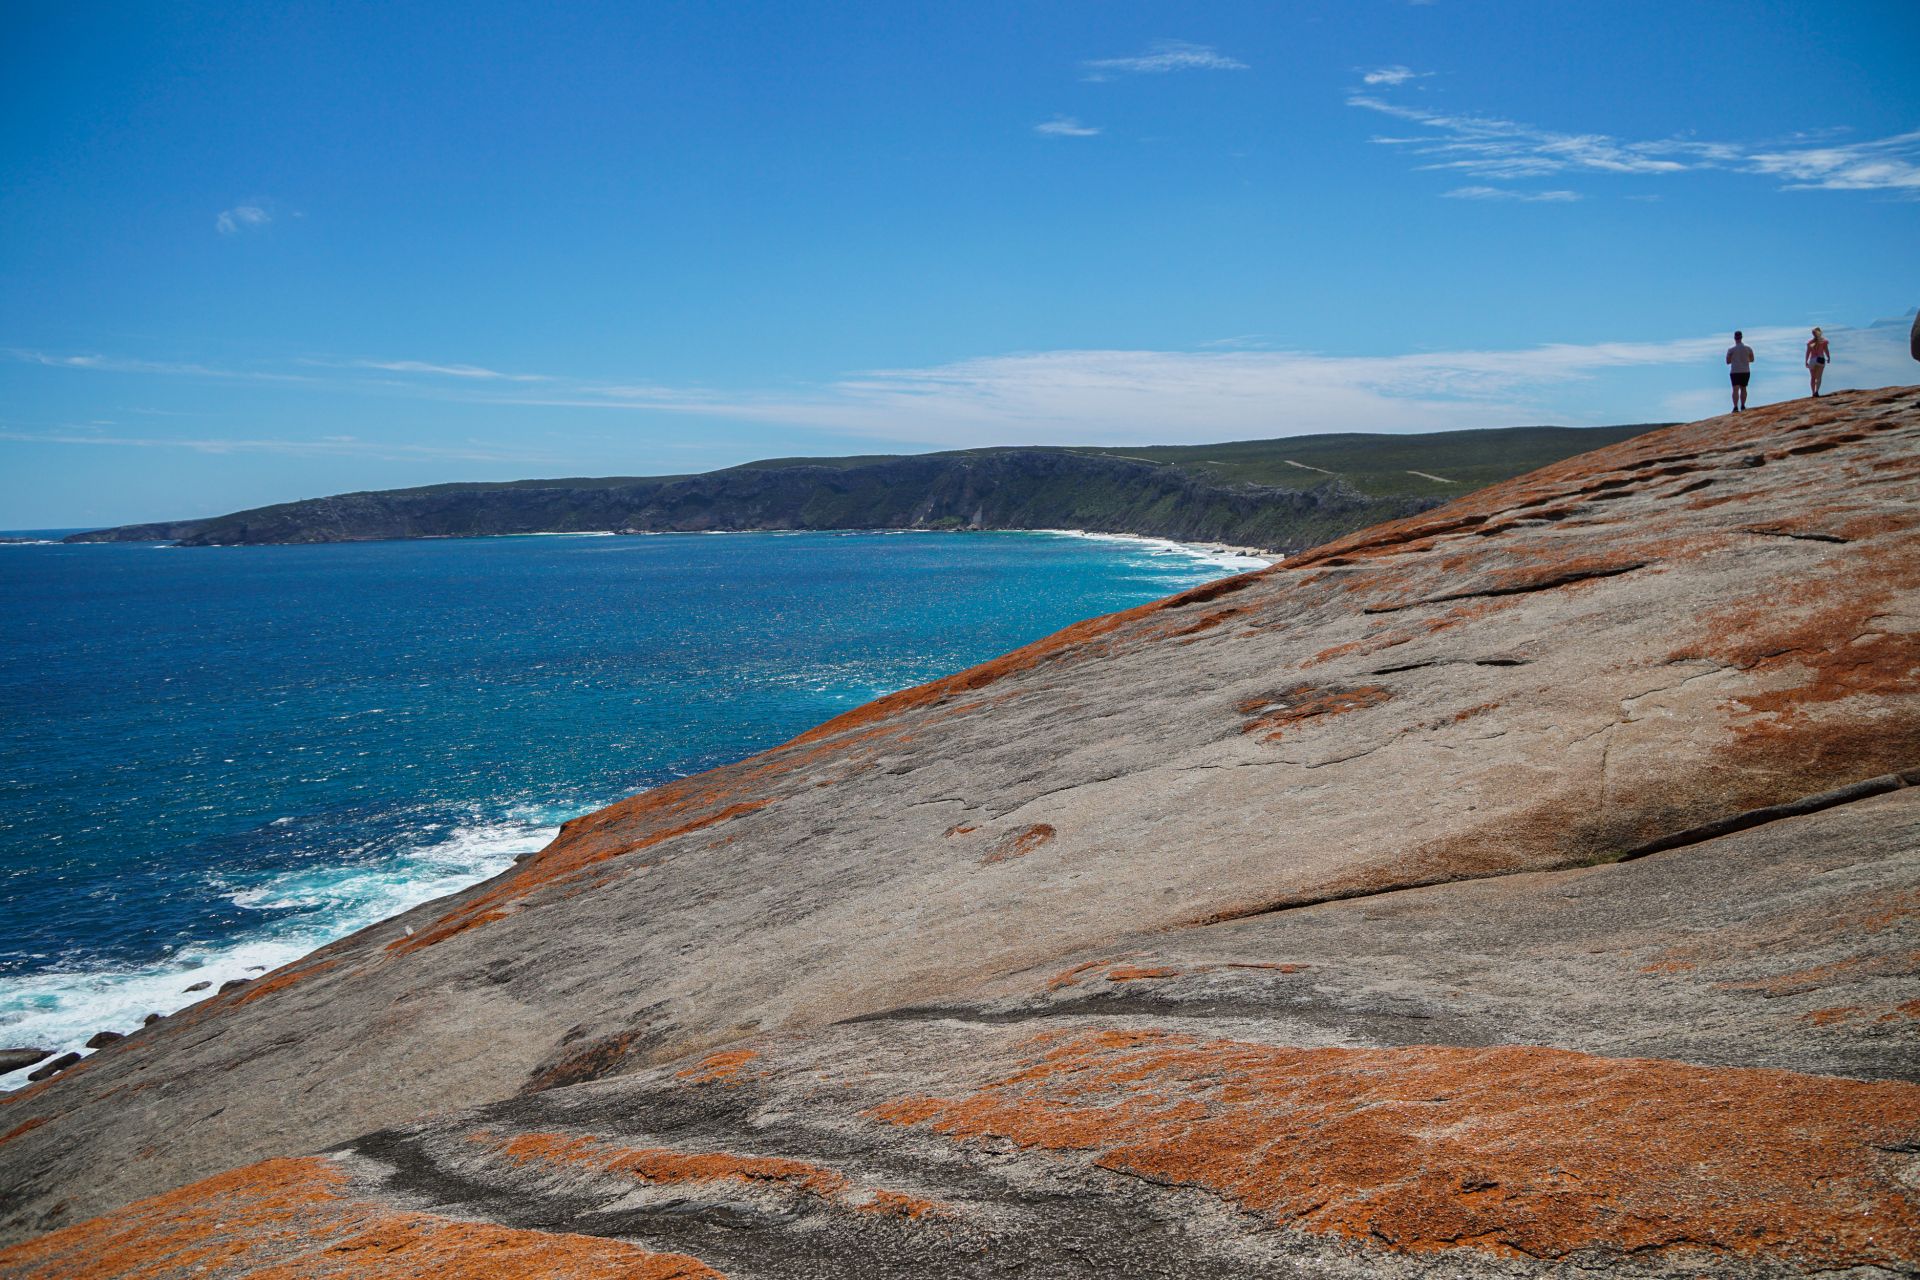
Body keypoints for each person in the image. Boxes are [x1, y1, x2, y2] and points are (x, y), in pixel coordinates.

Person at [1725, 331, 1755, 412]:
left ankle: (1735, 407)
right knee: (1743, 388)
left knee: (1735, 389)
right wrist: (1745, 360)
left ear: (1735, 338)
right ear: (1741, 337)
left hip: (1735, 371)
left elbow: (1727, 361)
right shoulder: (1748, 348)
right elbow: (1752, 359)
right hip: (1745, 370)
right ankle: (1742, 405)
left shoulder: (1731, 349)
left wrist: (1734, 359)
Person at [1804, 327, 1832, 397]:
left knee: (1813, 377)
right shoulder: (1824, 341)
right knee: (1819, 377)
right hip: (1820, 359)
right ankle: (1816, 391)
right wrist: (1828, 357)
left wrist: (1806, 361)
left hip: (1812, 360)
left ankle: (1813, 392)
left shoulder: (1810, 342)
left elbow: (1808, 353)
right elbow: (1826, 350)